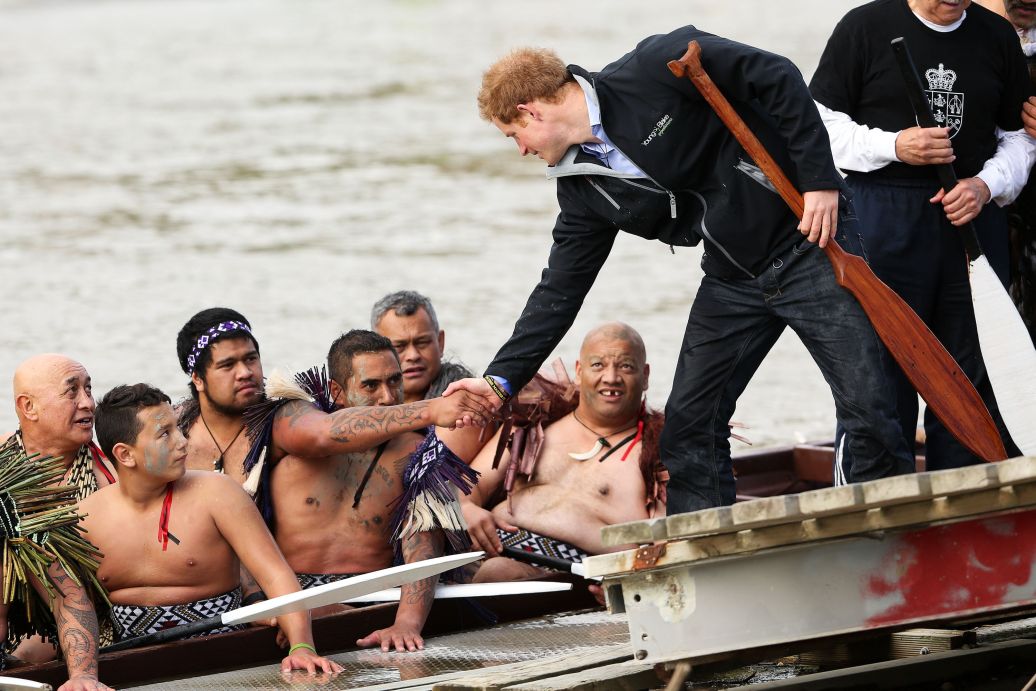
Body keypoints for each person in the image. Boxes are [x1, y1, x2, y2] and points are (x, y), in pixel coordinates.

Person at [445, 27, 913, 515]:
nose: (520, 150)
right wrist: (500, 379)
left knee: (869, 405)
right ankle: (711, 548)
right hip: (733, 275)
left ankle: (892, 531)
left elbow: (778, 76)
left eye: (513, 136)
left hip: (811, 241)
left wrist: (819, 180)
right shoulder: (581, 188)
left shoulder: (656, 65)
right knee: (690, 424)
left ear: (530, 112)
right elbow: (559, 290)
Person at [809, 0, 1032, 472]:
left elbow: (1018, 138)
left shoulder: (996, 35)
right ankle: (872, 511)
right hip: (882, 215)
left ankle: (968, 515)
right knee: (879, 375)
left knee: (970, 376)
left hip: (970, 214)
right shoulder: (864, 26)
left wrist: (986, 185)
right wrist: (894, 145)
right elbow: (818, 127)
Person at [82, 383, 341, 675]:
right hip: (132, 662)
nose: (183, 442)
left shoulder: (217, 493)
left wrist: (302, 647)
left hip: (225, 654)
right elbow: (74, 607)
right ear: (125, 455)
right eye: (165, 434)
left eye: (178, 428)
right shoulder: (87, 518)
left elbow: (275, 573)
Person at [269, 331, 464, 652]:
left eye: (394, 381)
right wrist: (263, 603)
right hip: (288, 596)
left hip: (371, 598)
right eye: (370, 385)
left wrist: (406, 624)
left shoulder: (419, 451)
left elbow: (424, 543)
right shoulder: (295, 425)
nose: (388, 397)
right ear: (337, 391)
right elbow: (246, 528)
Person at [460, 323, 667, 583]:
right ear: (579, 371)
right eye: (598, 365)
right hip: (492, 549)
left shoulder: (657, 452)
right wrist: (467, 508)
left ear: (645, 375)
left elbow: (667, 540)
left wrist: (633, 581)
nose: (611, 377)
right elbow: (464, 488)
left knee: (497, 572)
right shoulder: (535, 427)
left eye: (626, 366)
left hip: (575, 575)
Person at [0, 354, 116, 670]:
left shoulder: (112, 475)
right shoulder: (2, 462)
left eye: (89, 390)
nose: (89, 403)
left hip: (95, 623)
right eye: (72, 392)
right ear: (28, 407)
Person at [176, 307, 265, 483]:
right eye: (228, 365)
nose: (245, 372)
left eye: (251, 359)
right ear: (198, 378)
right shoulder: (174, 436)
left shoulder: (281, 423)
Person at [371, 291, 473, 403]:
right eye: (399, 346)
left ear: (440, 342)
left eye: (422, 342)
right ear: (375, 352)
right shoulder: (359, 408)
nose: (413, 356)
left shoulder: (471, 402)